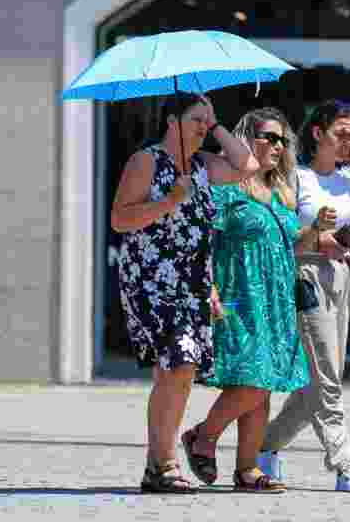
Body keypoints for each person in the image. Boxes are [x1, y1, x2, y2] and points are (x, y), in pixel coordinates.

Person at [111, 92, 259, 493]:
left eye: (207, 122)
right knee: (177, 365)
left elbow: (248, 165)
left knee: (182, 370)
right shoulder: (146, 161)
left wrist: (215, 127)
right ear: (171, 121)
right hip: (152, 279)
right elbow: (121, 219)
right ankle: (163, 464)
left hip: (193, 281)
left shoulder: (203, 165)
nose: (204, 128)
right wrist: (170, 199)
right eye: (196, 119)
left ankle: (157, 465)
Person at [256, 100, 350, 492]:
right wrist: (318, 236)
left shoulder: (348, 177)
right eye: (342, 133)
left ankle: (263, 447)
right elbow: (279, 236)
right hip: (303, 274)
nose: (347, 143)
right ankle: (344, 465)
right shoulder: (295, 177)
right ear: (318, 134)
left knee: (321, 380)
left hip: (338, 276)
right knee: (327, 379)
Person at [180, 107, 321, 493]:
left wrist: (316, 233)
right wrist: (206, 286)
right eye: (268, 137)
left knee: (264, 382)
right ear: (247, 140)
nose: (277, 145)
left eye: (282, 139)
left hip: (275, 298)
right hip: (239, 294)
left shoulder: (281, 192)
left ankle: (247, 470)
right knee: (254, 379)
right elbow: (203, 238)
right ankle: (202, 436)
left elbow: (291, 244)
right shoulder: (228, 187)